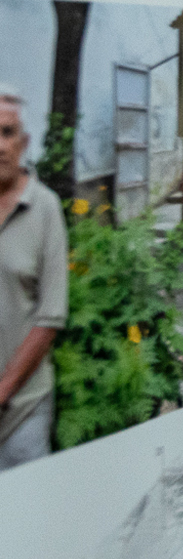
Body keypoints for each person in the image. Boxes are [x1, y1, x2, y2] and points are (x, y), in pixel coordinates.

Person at [0, 85, 65, 471]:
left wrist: (4, 390)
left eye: (8, 133)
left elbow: (51, 314)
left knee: (24, 520)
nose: (0, 145)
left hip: (24, 410)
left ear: (23, 142)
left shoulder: (44, 209)